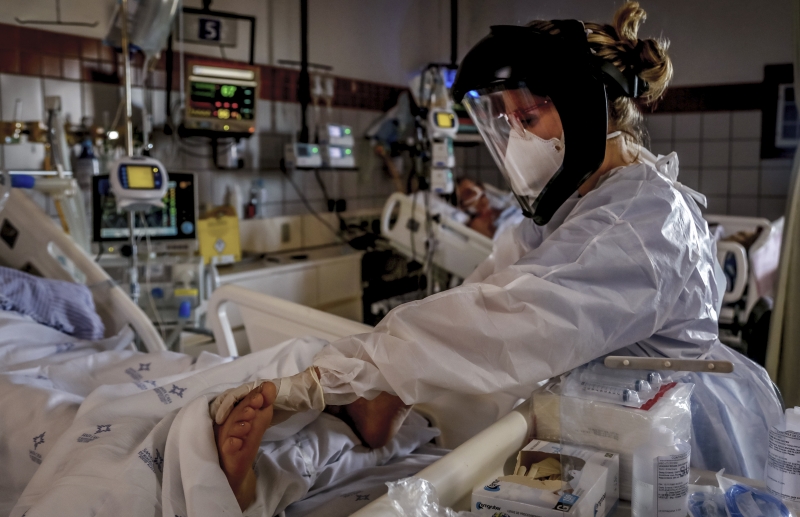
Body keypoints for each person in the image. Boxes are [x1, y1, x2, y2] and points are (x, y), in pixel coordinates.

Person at [212, 1, 783, 509]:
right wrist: (384, 374)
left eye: (528, 118)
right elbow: (483, 295)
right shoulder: (573, 206)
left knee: (402, 378)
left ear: (587, 110)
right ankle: (285, 472)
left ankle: (320, 445)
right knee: (405, 381)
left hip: (665, 426)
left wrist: (330, 377)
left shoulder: (647, 226)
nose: (515, 137)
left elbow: (507, 323)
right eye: (507, 120)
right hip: (604, 412)